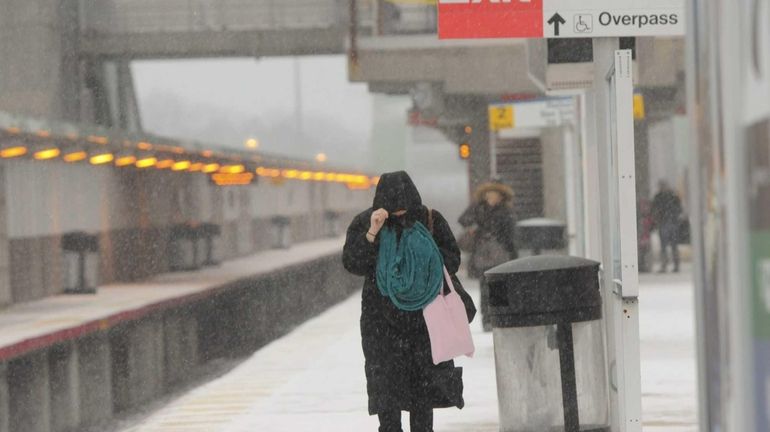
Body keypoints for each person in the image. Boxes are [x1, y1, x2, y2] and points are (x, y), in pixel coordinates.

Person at [342, 171, 468, 432]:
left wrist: (422, 263)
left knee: (422, 398)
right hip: (381, 324)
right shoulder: (368, 222)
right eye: (394, 210)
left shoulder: (429, 219)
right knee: (387, 398)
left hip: (423, 323)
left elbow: (452, 260)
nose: (399, 215)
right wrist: (372, 233)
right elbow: (353, 263)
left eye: (403, 209)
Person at [458, 180, 518, 331]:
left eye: (495, 195)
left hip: (499, 252)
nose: (491, 198)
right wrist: (475, 227)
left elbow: (510, 235)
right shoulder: (478, 208)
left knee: (498, 285)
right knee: (485, 286)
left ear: (501, 196)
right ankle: (487, 319)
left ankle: (498, 317)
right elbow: (463, 220)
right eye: (489, 195)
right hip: (482, 252)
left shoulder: (505, 211)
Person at [651, 180, 683, 273]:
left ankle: (671, 265)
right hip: (667, 223)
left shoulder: (664, 197)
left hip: (668, 222)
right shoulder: (671, 196)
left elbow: (655, 209)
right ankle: (669, 265)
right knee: (668, 246)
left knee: (670, 246)